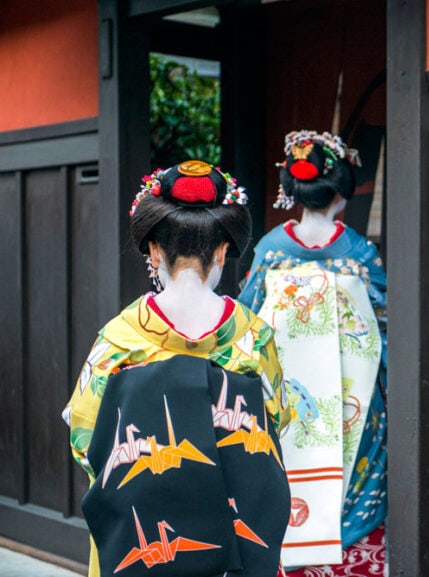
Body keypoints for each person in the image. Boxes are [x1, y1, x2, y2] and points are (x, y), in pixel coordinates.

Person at [63, 160, 291, 577]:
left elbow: (84, 436)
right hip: (236, 534)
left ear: (154, 250)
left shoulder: (119, 340)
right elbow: (277, 423)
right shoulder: (253, 337)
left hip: (141, 537)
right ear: (222, 251)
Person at [238, 130, 387, 576]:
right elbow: (386, 327)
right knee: (354, 472)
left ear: (291, 190)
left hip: (288, 400)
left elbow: (247, 326)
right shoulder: (359, 254)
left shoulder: (269, 251)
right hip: (352, 399)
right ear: (342, 191)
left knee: (288, 476)